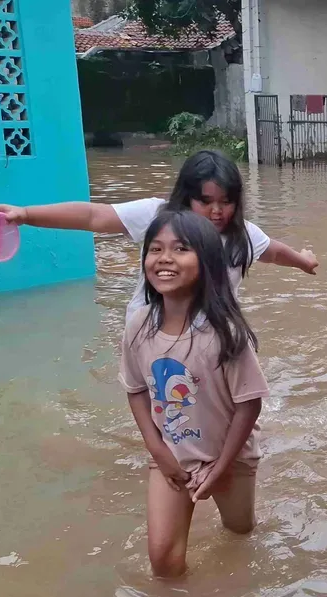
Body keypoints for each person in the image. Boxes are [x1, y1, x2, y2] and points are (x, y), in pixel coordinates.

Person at [0, 150, 319, 324]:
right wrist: (25, 215)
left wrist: (303, 261)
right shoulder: (158, 216)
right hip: (152, 331)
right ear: (187, 197)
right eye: (206, 201)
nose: (217, 212)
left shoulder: (240, 234)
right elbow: (94, 216)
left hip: (211, 335)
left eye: (226, 202)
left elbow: (271, 251)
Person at [118, 210, 268, 578]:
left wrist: (219, 468)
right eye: (155, 249)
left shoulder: (225, 332)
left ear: (207, 261)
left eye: (180, 249)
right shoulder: (139, 325)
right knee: (163, 562)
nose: (165, 258)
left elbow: (249, 404)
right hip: (170, 457)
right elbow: (136, 389)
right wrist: (158, 452)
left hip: (229, 458)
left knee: (239, 532)